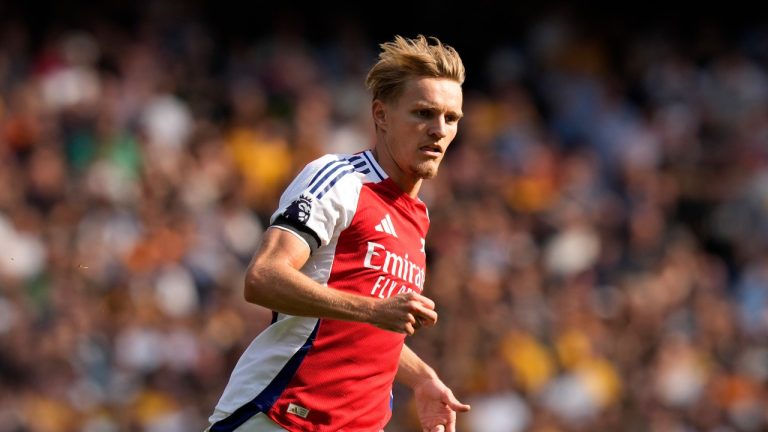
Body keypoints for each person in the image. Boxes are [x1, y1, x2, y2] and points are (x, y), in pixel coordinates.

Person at [207, 34, 470, 432]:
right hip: (277, 417)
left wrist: (421, 377)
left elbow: (366, 324)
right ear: (380, 115)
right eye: (423, 113)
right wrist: (375, 310)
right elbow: (263, 277)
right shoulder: (339, 180)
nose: (439, 129)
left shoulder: (417, 217)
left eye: (451, 119)